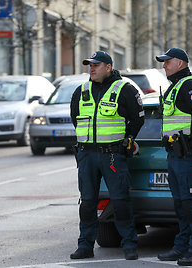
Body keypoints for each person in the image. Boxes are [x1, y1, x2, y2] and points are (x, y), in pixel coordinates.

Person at [69, 51, 144, 260]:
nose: (91, 69)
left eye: (96, 65)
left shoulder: (124, 89)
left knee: (120, 201)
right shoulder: (81, 91)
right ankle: (85, 246)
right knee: (87, 203)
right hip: (86, 156)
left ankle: (129, 245)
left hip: (112, 155)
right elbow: (75, 118)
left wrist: (127, 138)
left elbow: (137, 119)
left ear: (108, 67)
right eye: (89, 65)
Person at [155, 48, 192, 266]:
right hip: (176, 153)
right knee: (180, 203)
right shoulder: (176, 87)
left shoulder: (190, 86)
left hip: (188, 153)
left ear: (180, 63)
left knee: (190, 202)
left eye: (167, 62)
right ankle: (181, 247)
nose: (164, 66)